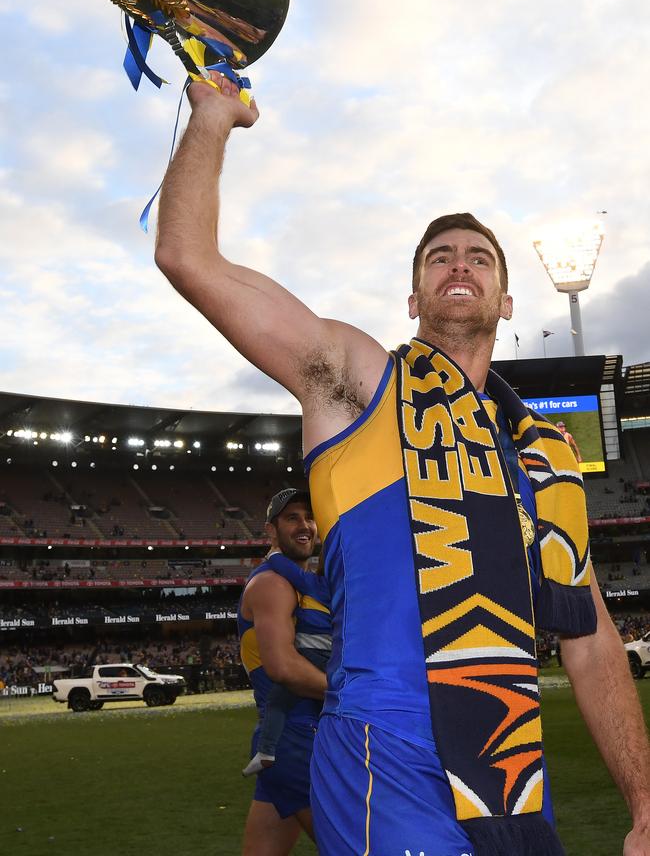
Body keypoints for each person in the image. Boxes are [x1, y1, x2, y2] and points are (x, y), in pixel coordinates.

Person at [155, 76, 650, 856]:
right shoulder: (357, 380)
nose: (461, 263)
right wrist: (212, 118)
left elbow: (590, 643)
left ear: (507, 300)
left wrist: (645, 807)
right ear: (415, 297)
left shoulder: (545, 464)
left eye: (481, 257)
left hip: (508, 779)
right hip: (383, 756)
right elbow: (188, 257)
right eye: (440, 256)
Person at [237, 488, 326, 856]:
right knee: (357, 846)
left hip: (290, 741)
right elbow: (283, 667)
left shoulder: (299, 583)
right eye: (292, 518)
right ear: (270, 530)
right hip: (295, 740)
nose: (304, 525)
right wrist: (353, 693)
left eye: (309, 516)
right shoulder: (273, 584)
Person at [243, 543, 331, 777]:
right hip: (333, 657)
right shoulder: (349, 591)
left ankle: (266, 752)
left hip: (310, 652)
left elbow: (290, 570)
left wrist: (274, 554)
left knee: (278, 701)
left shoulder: (315, 584)